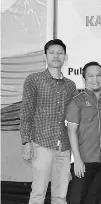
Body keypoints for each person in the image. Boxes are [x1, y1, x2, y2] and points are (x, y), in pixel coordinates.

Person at [20, 39, 77, 204]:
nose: (56, 56)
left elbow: (73, 119)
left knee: (60, 197)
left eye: (60, 53)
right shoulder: (34, 80)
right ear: (45, 56)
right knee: (38, 194)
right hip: (41, 144)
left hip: (64, 148)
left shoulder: (71, 86)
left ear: (65, 57)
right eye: (52, 52)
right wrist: (26, 141)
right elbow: (26, 112)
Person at [65, 61, 101, 204]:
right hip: (83, 161)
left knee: (93, 200)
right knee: (76, 200)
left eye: (99, 75)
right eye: (91, 76)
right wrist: (77, 160)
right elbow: (71, 132)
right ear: (84, 79)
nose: (95, 79)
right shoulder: (77, 102)